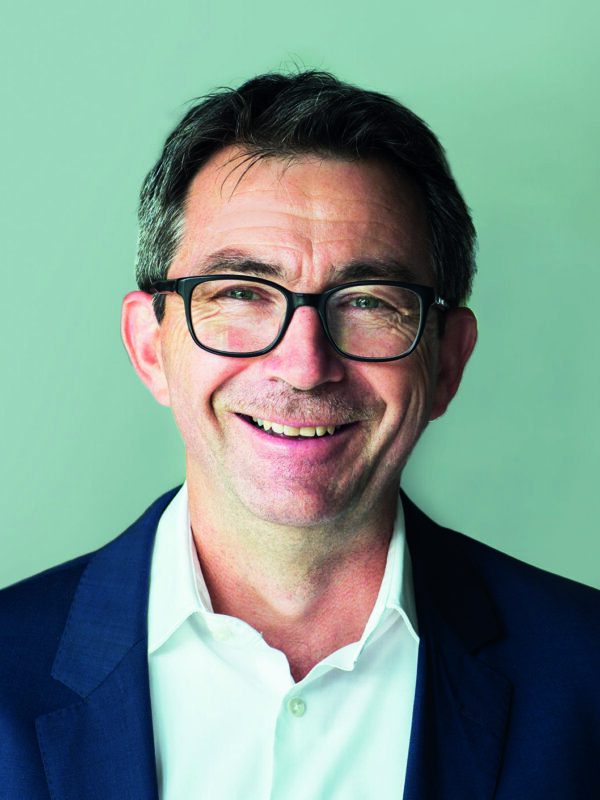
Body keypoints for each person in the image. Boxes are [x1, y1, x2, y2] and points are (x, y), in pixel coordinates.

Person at [1, 71, 599, 800]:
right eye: (240, 293)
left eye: (368, 301)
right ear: (151, 348)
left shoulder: (586, 675)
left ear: (447, 362)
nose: (306, 366)